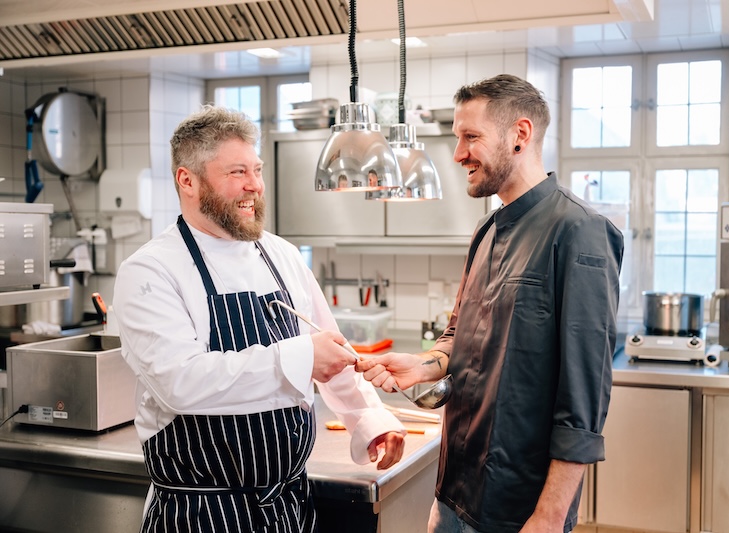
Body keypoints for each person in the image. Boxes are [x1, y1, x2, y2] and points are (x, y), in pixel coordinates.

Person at [114, 105, 406, 533]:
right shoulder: (151, 270)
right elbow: (180, 382)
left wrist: (370, 420)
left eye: (257, 170)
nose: (254, 185)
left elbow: (331, 350)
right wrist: (301, 358)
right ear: (187, 180)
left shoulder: (280, 254)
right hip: (202, 514)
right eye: (237, 172)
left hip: (290, 508)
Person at [357, 74, 624, 533]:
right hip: (453, 493)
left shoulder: (580, 231)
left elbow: (583, 399)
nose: (458, 153)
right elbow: (460, 333)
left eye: (470, 137)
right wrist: (423, 365)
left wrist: (549, 517)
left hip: (518, 511)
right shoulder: (486, 231)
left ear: (520, 134)